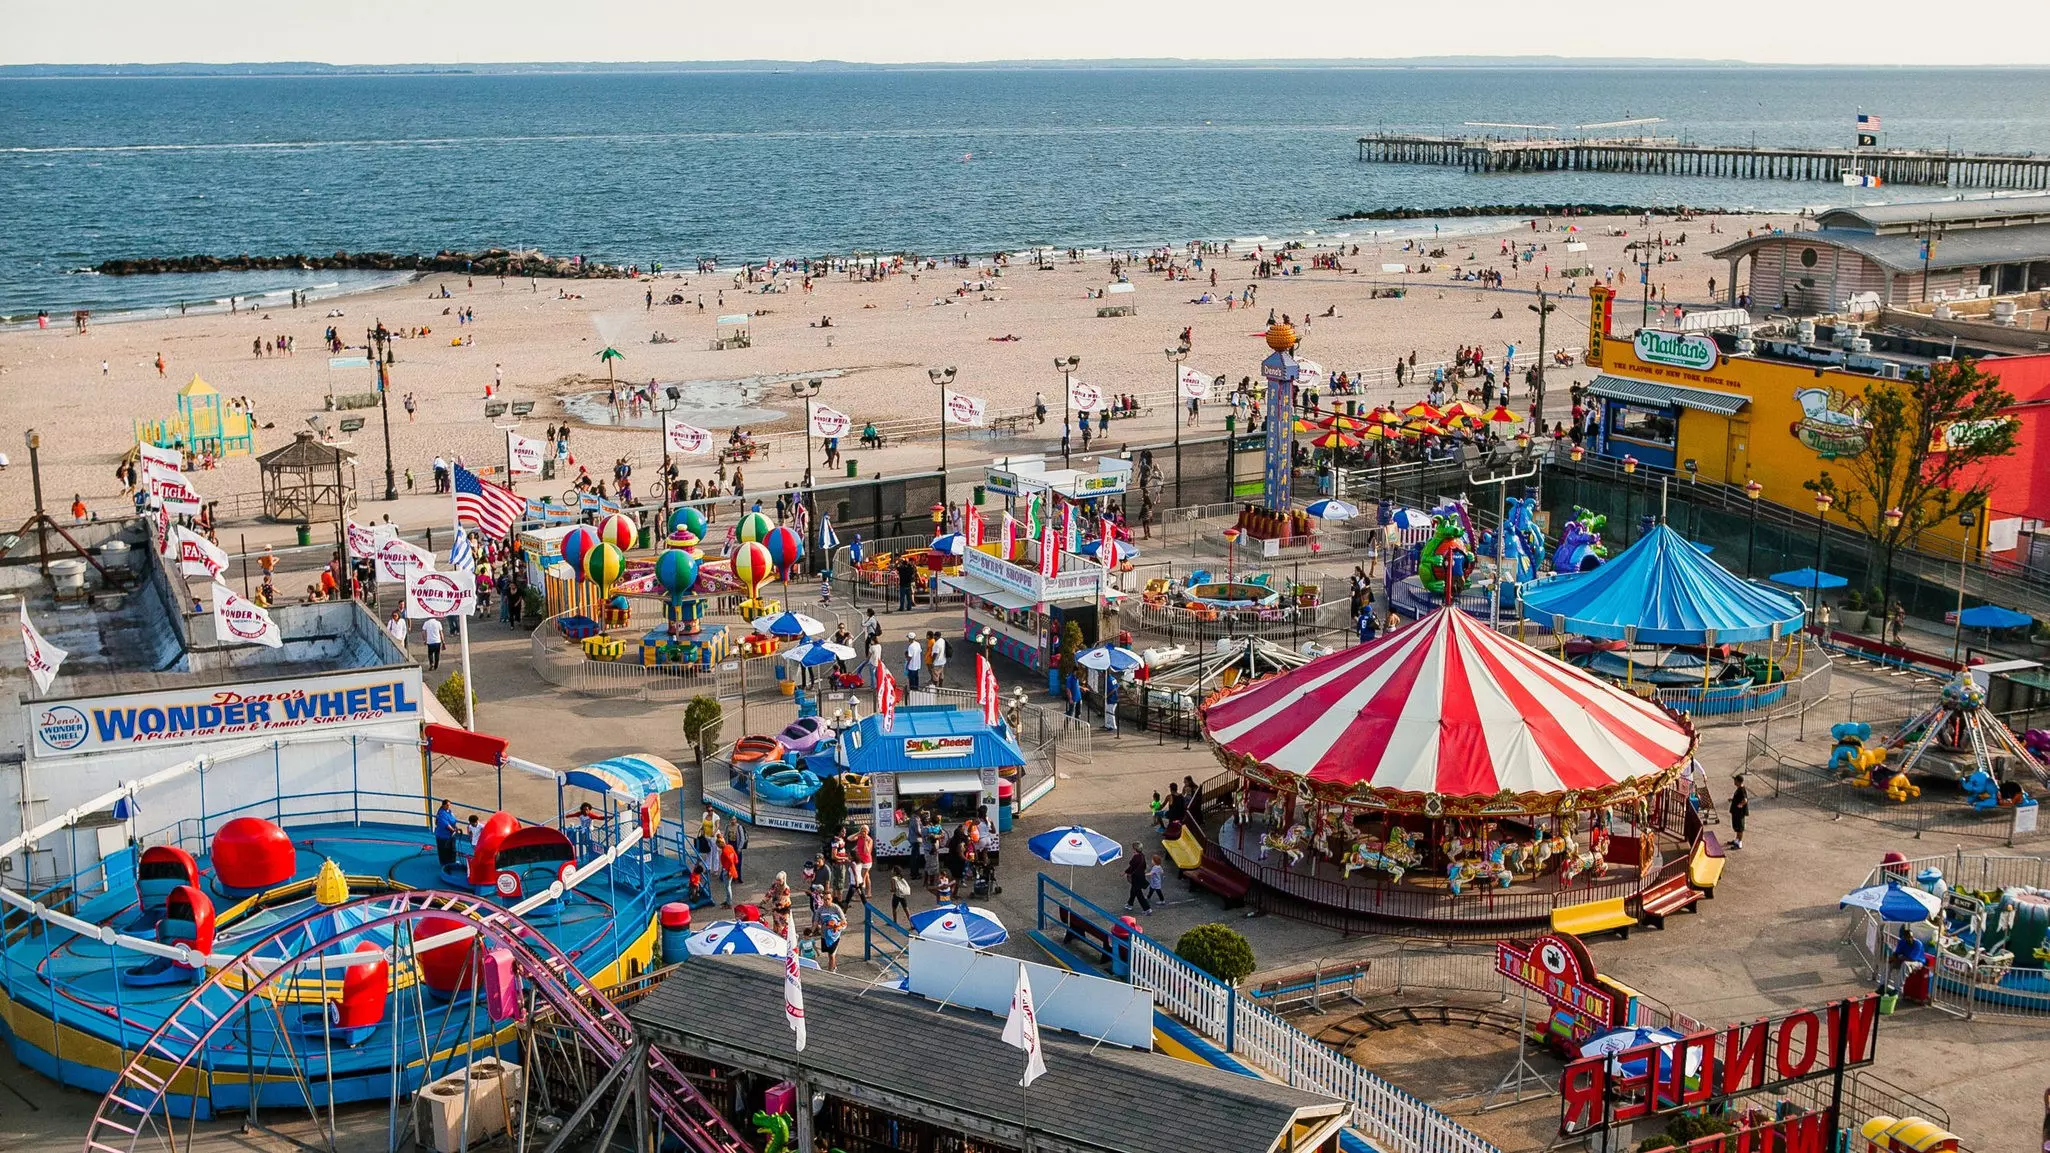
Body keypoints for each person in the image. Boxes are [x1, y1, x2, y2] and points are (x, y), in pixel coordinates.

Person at [1123, 841, 1152, 912]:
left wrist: (1125, 872)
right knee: (1133, 891)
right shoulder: (1142, 855)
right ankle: (1130, 904)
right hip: (1140, 877)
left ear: (1135, 849)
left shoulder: (1136, 858)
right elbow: (1144, 865)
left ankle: (1147, 909)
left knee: (1139, 894)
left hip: (1136, 878)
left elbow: (1131, 867)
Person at [816, 899, 844, 971]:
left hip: (835, 937)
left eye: (828, 899)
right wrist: (812, 931)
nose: (826, 901)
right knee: (830, 954)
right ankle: (834, 966)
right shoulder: (820, 910)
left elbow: (843, 921)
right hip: (825, 936)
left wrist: (838, 928)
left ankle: (830, 971)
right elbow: (816, 922)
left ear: (831, 899)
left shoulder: (836, 908)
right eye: (825, 899)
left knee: (831, 955)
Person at [433, 799, 459, 870]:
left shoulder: (450, 812)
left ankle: (452, 862)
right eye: (447, 805)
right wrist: (453, 830)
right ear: (443, 805)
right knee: (444, 850)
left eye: (449, 805)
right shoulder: (441, 813)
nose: (449, 806)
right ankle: (444, 864)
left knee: (452, 849)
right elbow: (446, 824)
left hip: (451, 835)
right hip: (443, 836)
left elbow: (453, 821)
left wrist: (456, 827)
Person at [716, 834, 740, 907]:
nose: (718, 846)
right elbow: (735, 859)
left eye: (718, 845)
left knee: (727, 887)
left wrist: (729, 871)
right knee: (728, 886)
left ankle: (729, 902)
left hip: (727, 870)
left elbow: (730, 862)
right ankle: (727, 900)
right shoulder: (730, 846)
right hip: (731, 869)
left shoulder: (724, 852)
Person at [1728, 774, 1750, 849]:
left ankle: (1739, 842)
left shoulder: (1742, 789)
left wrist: (1740, 804)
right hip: (1735, 811)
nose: (1734, 781)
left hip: (1739, 812)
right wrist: (1732, 800)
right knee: (1736, 826)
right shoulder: (1738, 788)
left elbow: (1745, 800)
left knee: (1740, 827)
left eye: (1735, 780)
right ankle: (1736, 839)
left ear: (1738, 781)